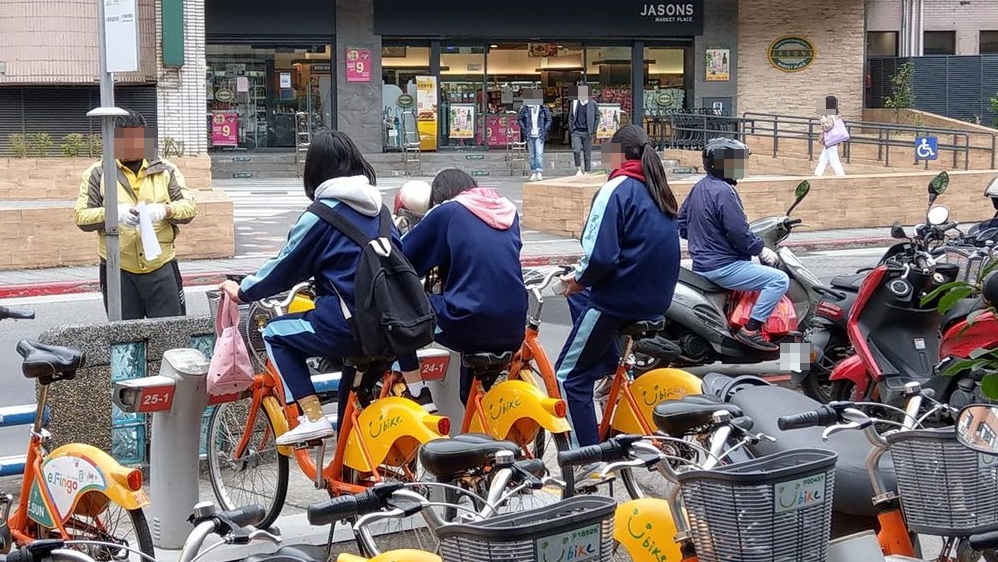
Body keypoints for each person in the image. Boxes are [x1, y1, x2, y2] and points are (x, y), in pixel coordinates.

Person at [218, 130, 398, 446]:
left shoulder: (321, 214)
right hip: (391, 325)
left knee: (275, 333)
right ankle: (350, 468)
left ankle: (311, 417)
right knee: (352, 396)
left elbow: (285, 265)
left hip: (348, 325)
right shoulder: (381, 211)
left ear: (313, 171)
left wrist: (243, 290)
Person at [555, 125, 679, 447]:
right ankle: (611, 372)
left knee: (568, 376)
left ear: (618, 155)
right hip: (657, 298)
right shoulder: (658, 187)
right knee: (583, 304)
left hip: (620, 299)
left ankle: (586, 460)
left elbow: (600, 258)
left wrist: (577, 280)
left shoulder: (617, 188)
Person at [398, 168, 527, 409]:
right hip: (515, 325)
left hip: (469, 322)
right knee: (470, 393)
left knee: (400, 305)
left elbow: (402, 262)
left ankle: (416, 389)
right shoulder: (508, 211)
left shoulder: (448, 211)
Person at [73, 109, 196, 319]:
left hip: (161, 266)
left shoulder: (165, 169)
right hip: (117, 269)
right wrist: (113, 214)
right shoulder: (98, 172)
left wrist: (163, 210)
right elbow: (82, 216)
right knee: (126, 340)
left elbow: (189, 208)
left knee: (170, 334)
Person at [678, 137, 787, 352]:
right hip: (723, 266)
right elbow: (738, 232)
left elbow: (682, 223)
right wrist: (760, 249)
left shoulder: (699, 187)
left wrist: (705, 238)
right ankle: (751, 330)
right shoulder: (724, 192)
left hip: (704, 264)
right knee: (779, 280)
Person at [517, 90, 552, 181]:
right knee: (532, 155)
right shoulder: (525, 108)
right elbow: (519, 119)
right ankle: (533, 172)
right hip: (529, 134)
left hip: (540, 134)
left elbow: (549, 120)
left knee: (539, 153)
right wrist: (524, 128)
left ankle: (539, 171)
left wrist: (544, 128)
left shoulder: (543, 108)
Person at [568, 84, 598, 177]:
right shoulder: (575, 103)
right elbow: (571, 116)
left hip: (588, 131)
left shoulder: (593, 103)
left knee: (587, 152)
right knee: (576, 150)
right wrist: (571, 128)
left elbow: (597, 116)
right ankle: (578, 169)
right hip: (576, 131)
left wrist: (594, 129)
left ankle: (587, 171)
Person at [815, 95, 848, 177]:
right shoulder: (835, 112)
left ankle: (841, 175)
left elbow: (828, 126)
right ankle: (817, 174)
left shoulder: (829, 113)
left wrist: (822, 120)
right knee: (823, 159)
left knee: (833, 159)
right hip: (833, 139)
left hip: (831, 140)